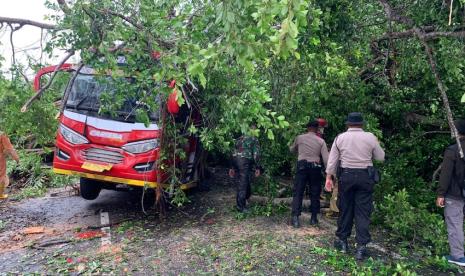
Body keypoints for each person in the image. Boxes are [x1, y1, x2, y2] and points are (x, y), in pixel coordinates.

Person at [325, 112, 385, 260]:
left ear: (348, 124)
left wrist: (328, 177)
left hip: (346, 176)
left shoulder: (340, 138)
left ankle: (343, 242)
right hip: (365, 177)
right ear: (362, 124)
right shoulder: (370, 137)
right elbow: (380, 157)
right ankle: (361, 247)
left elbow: (332, 161)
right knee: (363, 212)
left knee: (345, 209)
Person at [289, 120, 329, 227]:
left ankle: (295, 218)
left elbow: (292, 150)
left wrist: (293, 146)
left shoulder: (299, 138)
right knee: (315, 192)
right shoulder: (321, 141)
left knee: (298, 191)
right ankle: (314, 218)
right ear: (317, 129)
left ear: (307, 128)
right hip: (315, 167)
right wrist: (329, 173)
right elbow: (326, 159)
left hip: (302, 166)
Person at [436, 119, 465, 266]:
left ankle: (458, 256)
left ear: (457, 131)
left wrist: (441, 194)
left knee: (455, 224)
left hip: (455, 194)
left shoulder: (453, 150)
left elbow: (445, 175)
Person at [229, 126, 261, 213]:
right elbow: (256, 154)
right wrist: (258, 167)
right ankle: (240, 207)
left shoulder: (239, 138)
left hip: (236, 161)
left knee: (243, 181)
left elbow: (233, 153)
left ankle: (246, 199)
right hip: (244, 161)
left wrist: (232, 167)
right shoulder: (254, 139)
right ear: (253, 129)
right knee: (243, 184)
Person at [0, 131, 20, 200]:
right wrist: (16, 158)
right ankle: (1, 194)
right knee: (1, 176)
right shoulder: (2, 134)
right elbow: (10, 149)